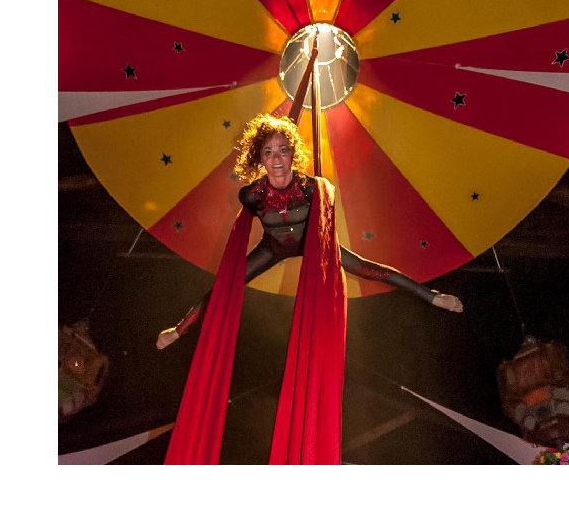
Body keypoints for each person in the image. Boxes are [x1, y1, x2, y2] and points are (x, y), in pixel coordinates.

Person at [156, 113, 463, 349]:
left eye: (282, 150)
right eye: (268, 152)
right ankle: (179, 329)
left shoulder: (312, 188)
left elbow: (325, 221)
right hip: (273, 248)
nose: (277, 158)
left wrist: (324, 246)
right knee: (226, 284)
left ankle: (432, 297)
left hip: (314, 243)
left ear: (292, 154)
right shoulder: (251, 195)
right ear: (259, 158)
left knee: (366, 267)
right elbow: (241, 230)